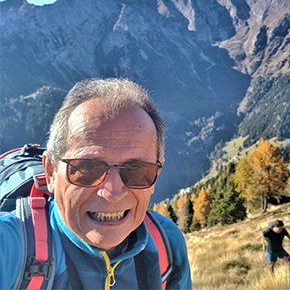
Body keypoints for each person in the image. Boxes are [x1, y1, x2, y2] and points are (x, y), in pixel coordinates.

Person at [0, 78, 192, 289]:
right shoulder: (10, 247)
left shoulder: (168, 245)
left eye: (137, 170)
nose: (112, 192)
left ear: (157, 172)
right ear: (51, 172)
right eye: (88, 169)